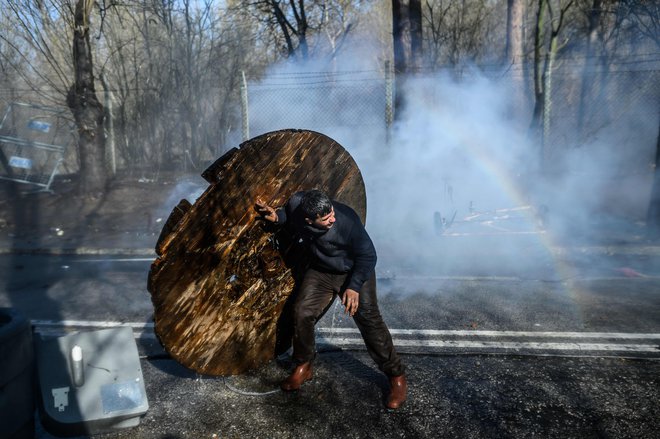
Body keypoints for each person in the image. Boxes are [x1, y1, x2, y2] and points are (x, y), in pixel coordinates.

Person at [255, 189, 407, 409]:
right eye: (326, 219)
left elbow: (368, 256)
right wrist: (278, 217)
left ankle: (396, 376)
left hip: (353, 271)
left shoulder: (347, 221)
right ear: (309, 219)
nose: (332, 219)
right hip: (321, 271)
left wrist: (354, 287)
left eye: (332, 214)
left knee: (369, 320)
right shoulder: (297, 204)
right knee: (301, 312)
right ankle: (303, 365)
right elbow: (289, 215)